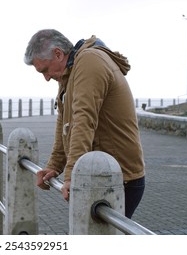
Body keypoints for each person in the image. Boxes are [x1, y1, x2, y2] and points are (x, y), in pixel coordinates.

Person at [23, 29, 145, 218]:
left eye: (45, 70)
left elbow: (83, 119)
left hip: (119, 178)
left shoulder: (89, 62)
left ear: (58, 53)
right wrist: (55, 165)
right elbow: (65, 122)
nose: (46, 78)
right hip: (101, 173)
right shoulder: (71, 71)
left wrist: (72, 176)